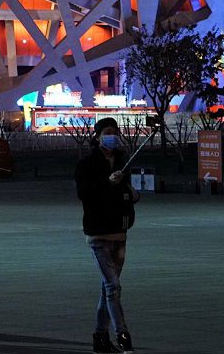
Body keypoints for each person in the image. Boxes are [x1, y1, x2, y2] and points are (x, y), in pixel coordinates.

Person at [76, 117, 138, 354]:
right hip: (99, 232)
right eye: (107, 132)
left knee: (107, 287)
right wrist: (106, 183)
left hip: (119, 231)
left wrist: (131, 193)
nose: (112, 136)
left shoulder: (123, 162)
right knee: (113, 286)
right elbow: (85, 194)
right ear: (97, 136)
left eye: (114, 132)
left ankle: (100, 338)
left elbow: (124, 192)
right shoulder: (86, 165)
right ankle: (123, 336)